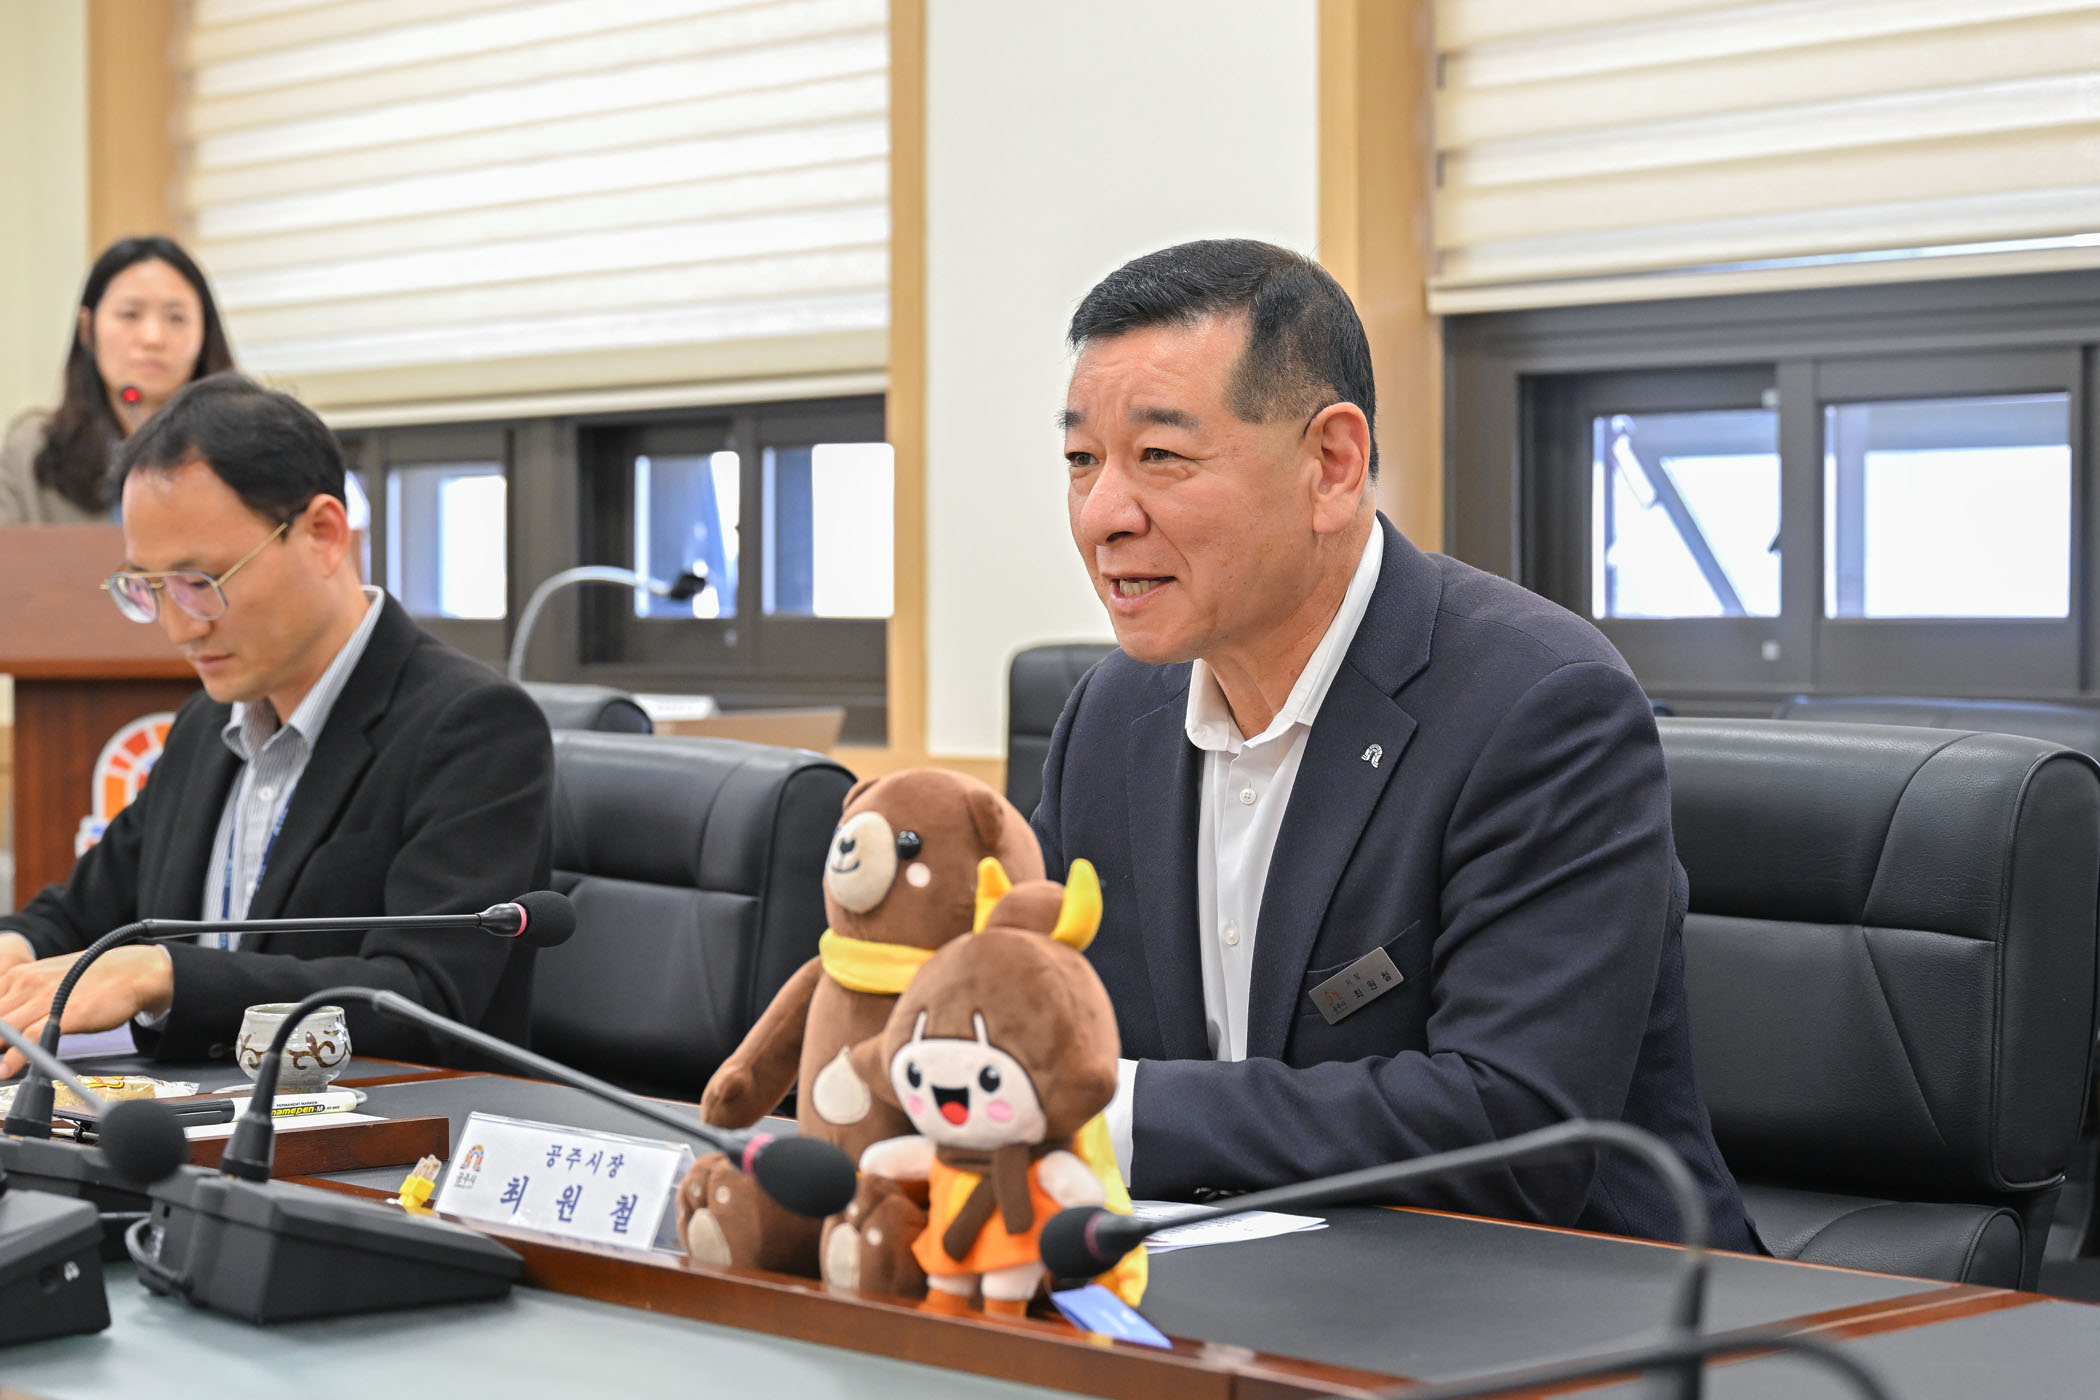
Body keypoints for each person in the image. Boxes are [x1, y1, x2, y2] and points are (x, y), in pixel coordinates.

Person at [1033, 239, 1757, 1250]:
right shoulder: (1112, 716)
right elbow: (1036, 1009)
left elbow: (1517, 1132)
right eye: (1082, 461)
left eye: (1161, 457)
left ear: (1332, 465)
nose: (1104, 514)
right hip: (1227, 1286)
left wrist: (1119, 1113)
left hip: (1577, 1296)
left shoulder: (1541, 705)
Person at [0, 374, 553, 1072]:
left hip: (386, 1129)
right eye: (150, 587)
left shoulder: (473, 728)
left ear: (323, 534)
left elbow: (426, 1001)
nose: (178, 627)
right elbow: (79, 914)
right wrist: (16, 950)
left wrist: (167, 975)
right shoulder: (208, 725)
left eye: (201, 582)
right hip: (199, 1121)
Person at [0, 236, 236, 528]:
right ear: (87, 328)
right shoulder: (30, 451)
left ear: (205, 332)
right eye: (130, 314)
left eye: (176, 318)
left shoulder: (244, 450)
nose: (153, 338)